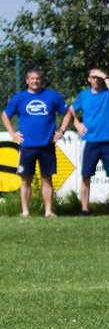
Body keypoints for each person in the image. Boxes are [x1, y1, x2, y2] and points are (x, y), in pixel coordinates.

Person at [2, 68, 69, 218]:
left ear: (41, 80)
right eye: (32, 79)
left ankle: (48, 211)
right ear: (27, 81)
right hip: (27, 147)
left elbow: (68, 113)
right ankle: (25, 211)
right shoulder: (19, 98)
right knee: (26, 180)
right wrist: (13, 134)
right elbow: (5, 115)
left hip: (47, 146)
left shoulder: (52, 96)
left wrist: (61, 131)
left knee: (47, 179)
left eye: (37, 78)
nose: (35, 81)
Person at [68, 67, 109, 216]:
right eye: (93, 77)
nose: (95, 80)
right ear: (88, 79)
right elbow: (70, 111)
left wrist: (104, 75)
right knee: (86, 176)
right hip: (90, 141)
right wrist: (77, 124)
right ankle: (85, 209)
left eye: (98, 77)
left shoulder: (107, 93)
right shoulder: (84, 95)